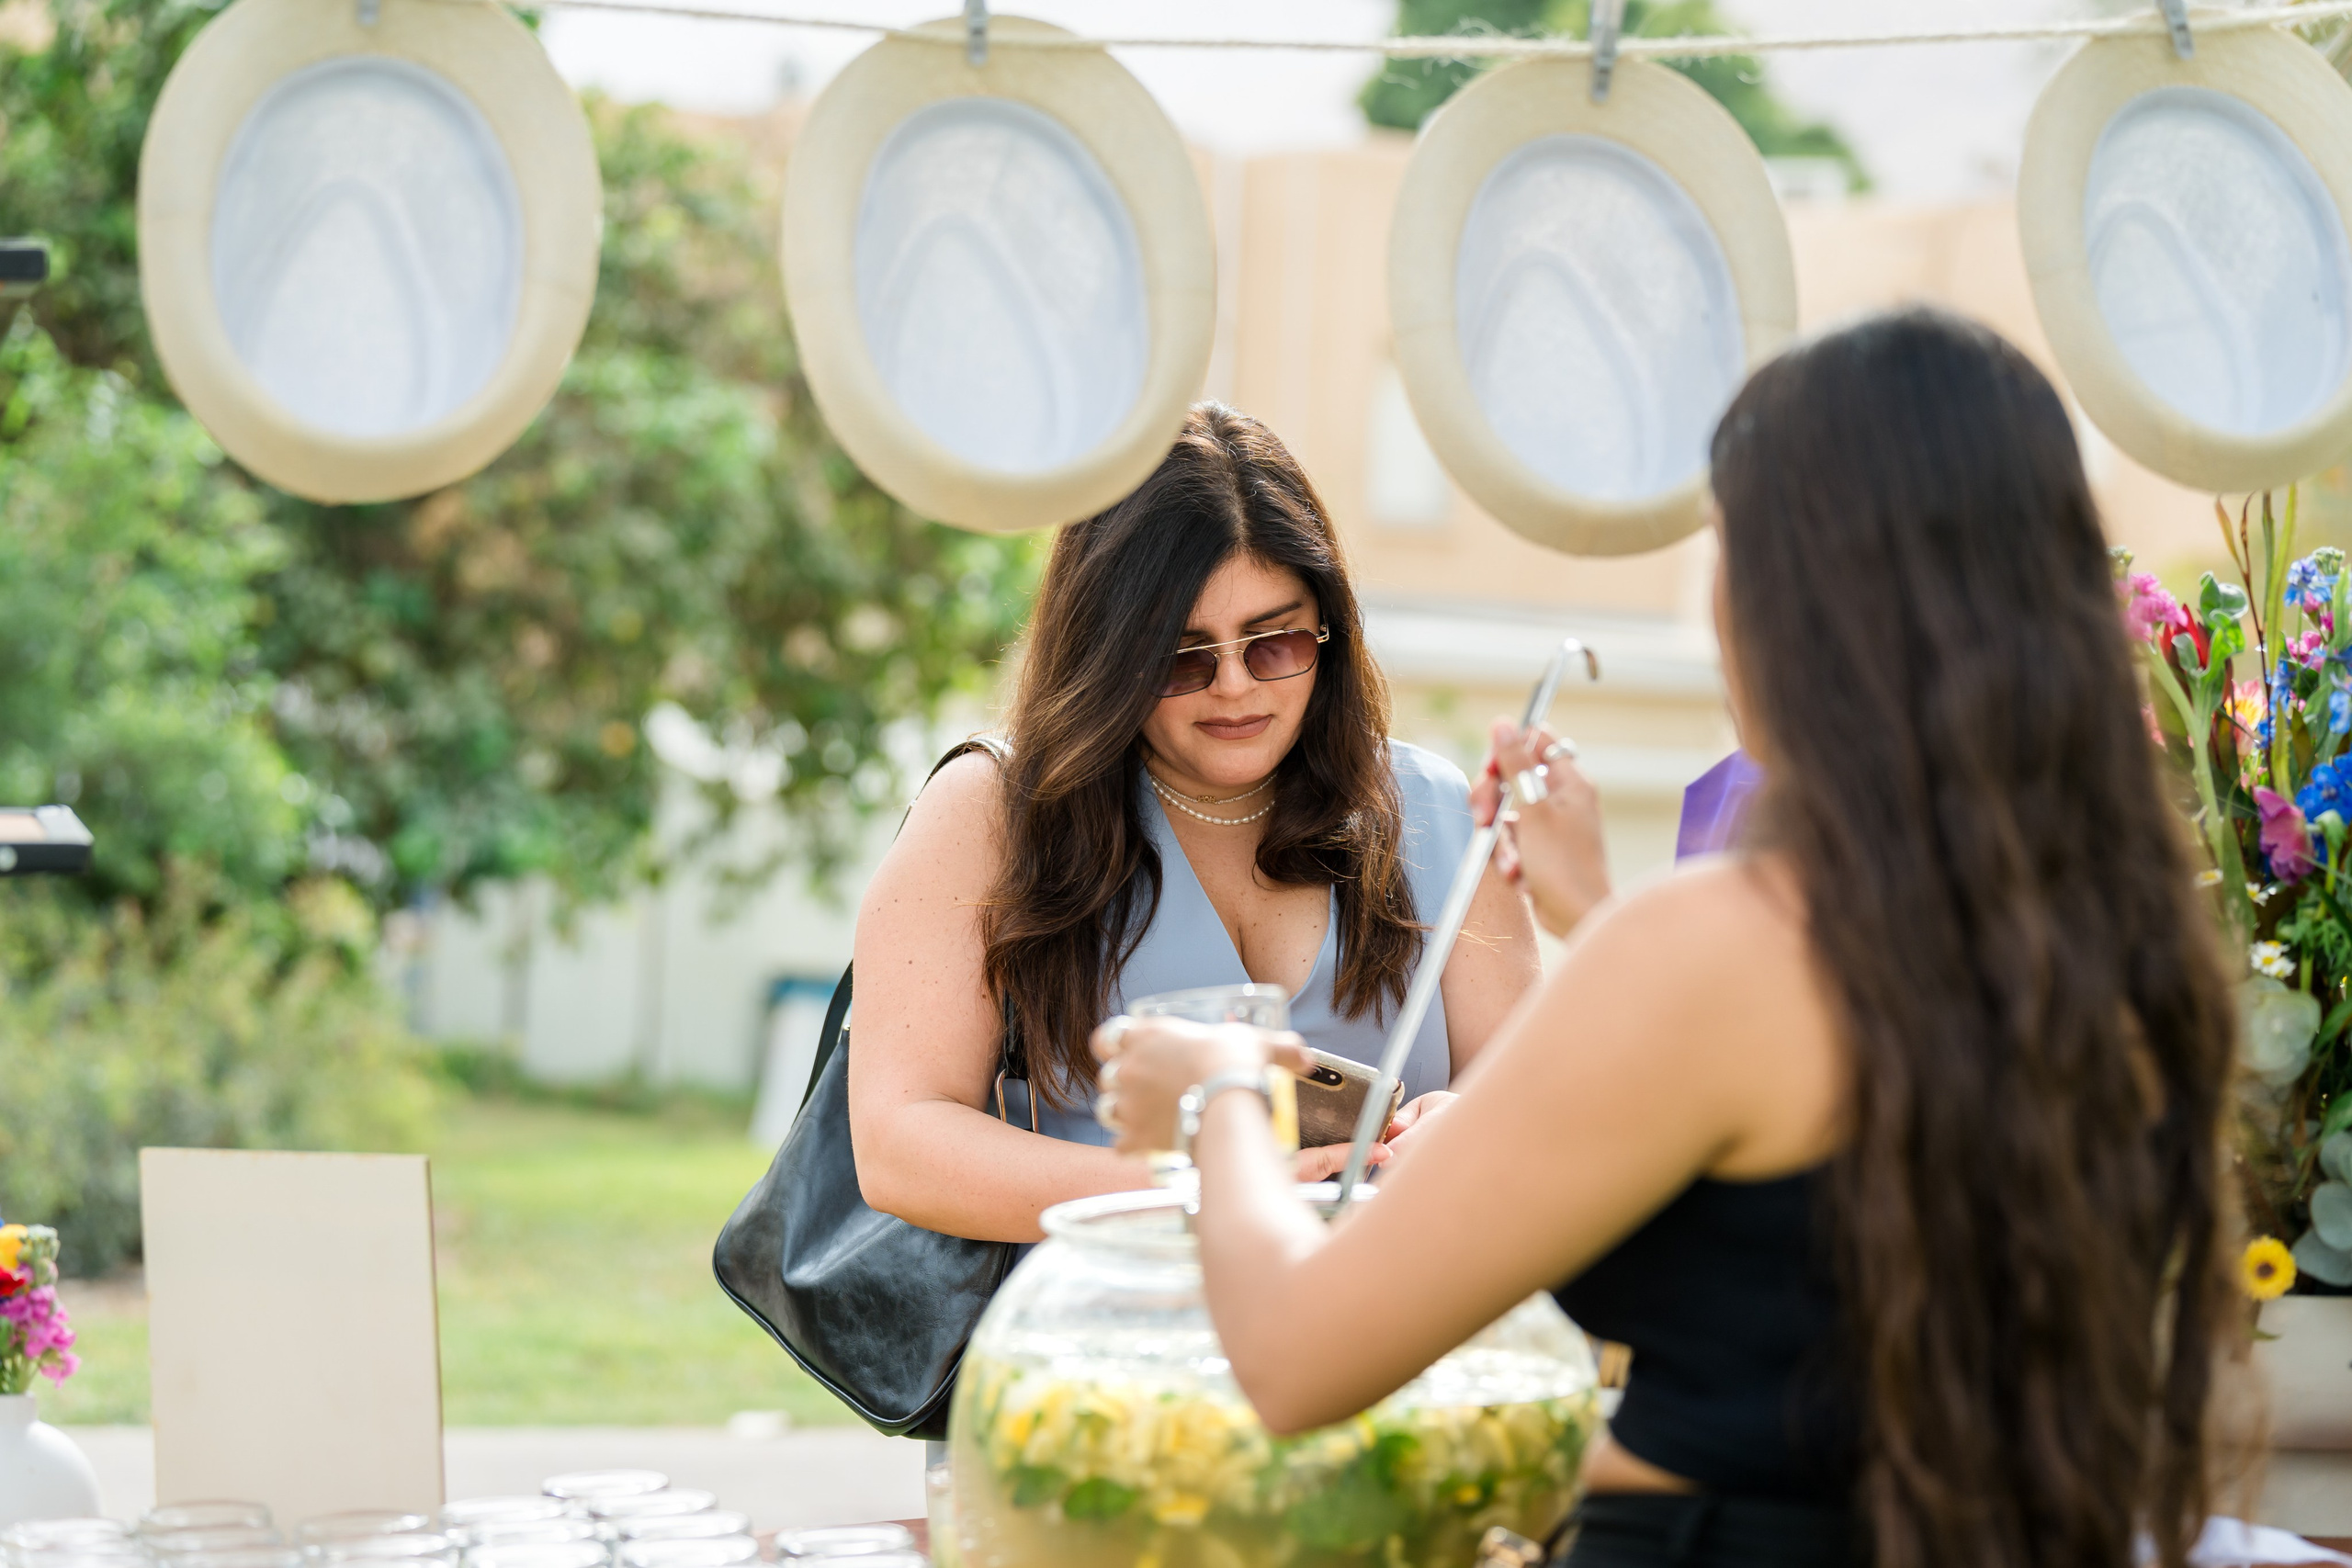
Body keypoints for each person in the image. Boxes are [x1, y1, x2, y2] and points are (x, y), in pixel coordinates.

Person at [1091, 310, 2237, 1568]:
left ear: (1801, 597)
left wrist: (1228, 1100)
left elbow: (1298, 1355)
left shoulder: (1723, 945)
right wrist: (1596, 913)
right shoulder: (2111, 948)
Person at [848, 401, 1548, 1244]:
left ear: (1327, 630)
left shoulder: (1437, 811)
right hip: (1112, 1341)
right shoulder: (993, 811)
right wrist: (1198, 1187)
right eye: (1182, 656)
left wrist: (1462, 1127)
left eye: (1274, 643)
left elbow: (1537, 1116)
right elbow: (899, 1144)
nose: (1235, 687)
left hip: (1392, 1330)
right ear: (1107, 656)